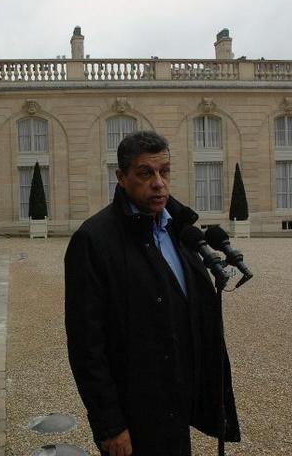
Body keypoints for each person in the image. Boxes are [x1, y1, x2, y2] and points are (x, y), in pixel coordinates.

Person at [65, 131, 240, 456]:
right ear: (121, 177)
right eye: (146, 173)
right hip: (134, 413)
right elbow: (86, 347)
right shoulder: (93, 240)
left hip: (177, 404)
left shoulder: (179, 229)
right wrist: (110, 426)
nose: (158, 183)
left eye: (165, 171)